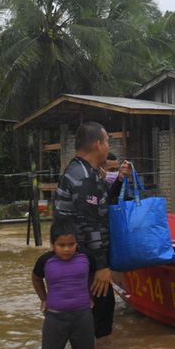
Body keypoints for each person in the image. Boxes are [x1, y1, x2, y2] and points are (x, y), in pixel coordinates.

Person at [53, 122, 115, 338]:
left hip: (81, 262)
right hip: (86, 263)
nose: (108, 147)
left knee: (92, 324)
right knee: (99, 324)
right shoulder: (84, 177)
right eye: (107, 142)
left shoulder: (83, 171)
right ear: (98, 144)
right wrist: (102, 266)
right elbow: (89, 224)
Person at [31, 219, 96, 349]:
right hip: (55, 318)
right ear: (52, 244)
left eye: (71, 244)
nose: (67, 249)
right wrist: (44, 299)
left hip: (83, 316)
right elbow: (36, 279)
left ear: (77, 243)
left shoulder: (86, 257)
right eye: (61, 245)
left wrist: (90, 296)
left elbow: (92, 276)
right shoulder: (45, 261)